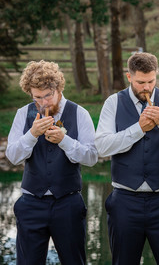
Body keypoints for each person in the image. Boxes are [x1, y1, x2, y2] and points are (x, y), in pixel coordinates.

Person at [95, 52, 159, 265]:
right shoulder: (113, 102)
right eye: (141, 82)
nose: (147, 87)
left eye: (151, 81)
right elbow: (102, 147)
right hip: (124, 201)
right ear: (129, 77)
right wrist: (138, 129)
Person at [6, 60, 98, 264]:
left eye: (48, 95)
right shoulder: (23, 114)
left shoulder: (79, 113)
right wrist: (32, 134)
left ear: (58, 88)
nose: (44, 103)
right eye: (37, 97)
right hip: (30, 204)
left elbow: (92, 157)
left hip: (68, 203)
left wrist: (64, 141)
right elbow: (12, 156)